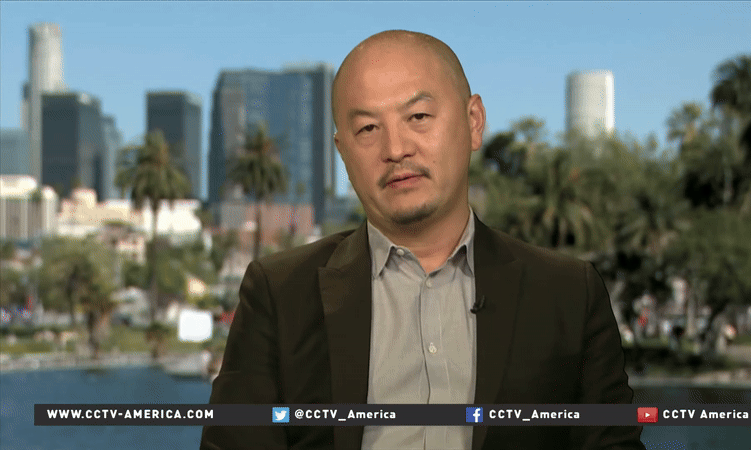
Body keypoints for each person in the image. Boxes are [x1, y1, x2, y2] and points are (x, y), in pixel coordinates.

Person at [201, 30, 644, 450]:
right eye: (368, 129)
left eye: (418, 117)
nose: (396, 148)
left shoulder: (568, 293)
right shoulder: (280, 294)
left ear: (473, 122)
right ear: (342, 151)